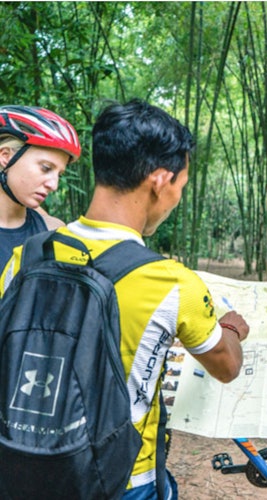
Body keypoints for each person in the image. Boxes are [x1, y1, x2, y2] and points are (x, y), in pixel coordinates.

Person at [0, 98, 250, 500]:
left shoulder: (25, 257)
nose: (176, 200)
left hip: (25, 470)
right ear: (161, 180)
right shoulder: (173, 283)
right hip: (122, 481)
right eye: (180, 188)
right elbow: (227, 366)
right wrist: (232, 327)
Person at [0, 105, 81, 271]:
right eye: (45, 168)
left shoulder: (53, 232)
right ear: (5, 156)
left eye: (59, 174)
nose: (54, 185)